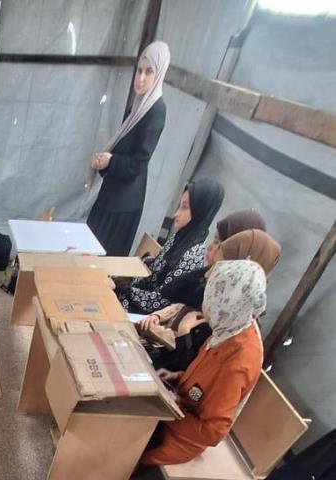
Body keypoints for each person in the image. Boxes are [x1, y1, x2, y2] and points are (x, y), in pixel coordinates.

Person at [140, 259, 267, 467]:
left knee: (123, 445)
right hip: (178, 406)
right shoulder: (229, 325)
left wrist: (171, 411)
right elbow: (204, 379)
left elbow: (212, 432)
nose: (207, 306)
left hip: (182, 437)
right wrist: (177, 377)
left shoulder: (238, 362)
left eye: (214, 299)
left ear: (228, 303)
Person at [139, 229, 281, 372]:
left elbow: (192, 366)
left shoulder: (228, 319)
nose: (208, 275)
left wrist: (183, 332)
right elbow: (173, 294)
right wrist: (159, 317)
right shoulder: (217, 297)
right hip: (164, 361)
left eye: (218, 267)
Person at [87, 41, 170, 257]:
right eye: (139, 71)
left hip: (122, 206)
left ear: (159, 73)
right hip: (112, 195)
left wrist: (110, 161)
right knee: (87, 252)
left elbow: (137, 165)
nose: (141, 78)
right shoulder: (139, 106)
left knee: (100, 261)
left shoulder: (156, 110)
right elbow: (122, 148)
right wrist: (105, 163)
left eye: (149, 72)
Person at [119, 178, 225, 314]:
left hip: (148, 313)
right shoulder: (180, 237)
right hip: (138, 297)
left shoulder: (192, 254)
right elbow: (154, 272)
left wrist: (127, 289)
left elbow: (162, 300)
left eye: (184, 207)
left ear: (201, 211)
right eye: (179, 205)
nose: (176, 214)